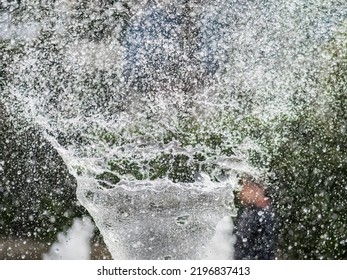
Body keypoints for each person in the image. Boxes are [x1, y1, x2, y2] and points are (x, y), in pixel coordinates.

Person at [233, 178, 277, 260]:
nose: (241, 193)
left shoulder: (262, 214)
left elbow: (263, 249)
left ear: (256, 189)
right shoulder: (252, 211)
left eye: (244, 187)